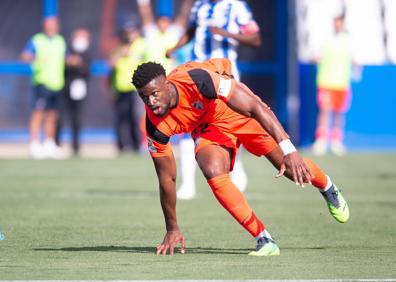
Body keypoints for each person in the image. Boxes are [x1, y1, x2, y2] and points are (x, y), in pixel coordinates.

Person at [131, 58, 350, 256]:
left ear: (167, 84)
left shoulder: (198, 80)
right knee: (211, 168)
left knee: (292, 171)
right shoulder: (155, 127)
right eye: (144, 97)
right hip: (208, 127)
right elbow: (166, 179)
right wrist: (172, 228)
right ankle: (263, 238)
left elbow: (254, 108)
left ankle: (327, 187)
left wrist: (289, 150)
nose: (151, 102)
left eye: (155, 93)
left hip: (234, 111)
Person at [166, 0, 262, 199]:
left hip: (226, 74)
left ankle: (236, 168)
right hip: (198, 75)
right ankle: (188, 184)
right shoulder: (200, 5)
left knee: (231, 124)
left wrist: (226, 34)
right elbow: (191, 31)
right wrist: (174, 48)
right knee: (189, 124)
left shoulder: (236, 7)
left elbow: (255, 39)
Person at [20, 16, 66, 160]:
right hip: (41, 82)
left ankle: (49, 143)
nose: (51, 27)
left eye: (54, 25)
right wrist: (34, 59)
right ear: (44, 26)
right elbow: (24, 56)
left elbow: (64, 59)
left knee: (52, 115)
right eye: (49, 25)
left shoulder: (60, 41)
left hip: (57, 83)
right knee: (38, 113)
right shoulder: (36, 40)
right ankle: (34, 144)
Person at [312, 14, 354, 156]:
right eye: (335, 22)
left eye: (339, 22)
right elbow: (316, 56)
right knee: (325, 111)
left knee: (339, 113)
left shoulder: (348, 41)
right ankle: (321, 140)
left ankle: (336, 141)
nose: (337, 25)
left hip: (341, 83)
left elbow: (354, 60)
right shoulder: (327, 40)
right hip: (326, 82)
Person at [109, 20, 146, 153]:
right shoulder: (118, 47)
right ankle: (122, 146)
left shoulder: (141, 45)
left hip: (135, 88)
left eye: (131, 32)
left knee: (135, 117)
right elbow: (111, 64)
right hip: (120, 88)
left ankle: (137, 144)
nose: (129, 35)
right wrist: (121, 53)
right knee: (121, 118)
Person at [56, 28, 91, 156]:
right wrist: (68, 62)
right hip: (64, 87)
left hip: (78, 89)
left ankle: (75, 146)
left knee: (76, 118)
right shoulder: (67, 50)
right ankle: (56, 143)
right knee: (59, 116)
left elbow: (87, 71)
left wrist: (79, 64)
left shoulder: (87, 54)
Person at [136, 0, 192, 73]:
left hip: (170, 74)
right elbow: (145, 14)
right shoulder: (151, 32)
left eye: (166, 21)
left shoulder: (174, 32)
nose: (163, 23)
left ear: (170, 21)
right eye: (161, 20)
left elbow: (184, 14)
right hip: (151, 74)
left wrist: (188, 2)